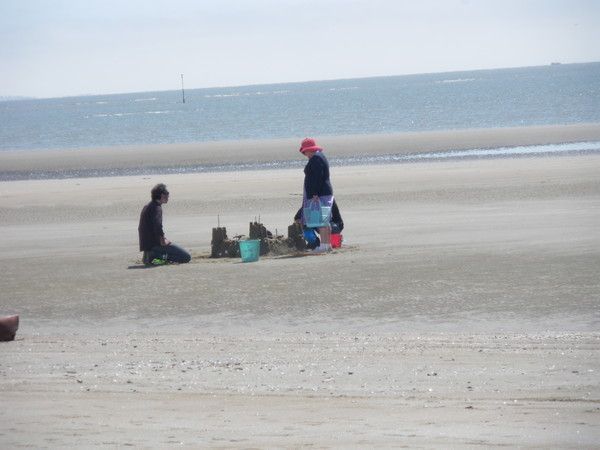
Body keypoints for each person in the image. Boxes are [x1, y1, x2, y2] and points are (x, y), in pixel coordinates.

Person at [297, 137, 335, 253]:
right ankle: (327, 245)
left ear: (310, 150)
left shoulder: (316, 159)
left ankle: (323, 246)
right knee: (324, 220)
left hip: (320, 194)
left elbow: (317, 177)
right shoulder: (319, 157)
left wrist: (314, 193)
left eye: (305, 152)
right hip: (323, 193)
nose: (305, 154)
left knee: (321, 221)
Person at [138, 183, 191, 265]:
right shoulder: (157, 208)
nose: (168, 198)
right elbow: (157, 225)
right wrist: (162, 240)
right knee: (186, 257)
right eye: (167, 195)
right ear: (162, 195)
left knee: (173, 253)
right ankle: (154, 256)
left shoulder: (148, 206)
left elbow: (143, 228)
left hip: (147, 245)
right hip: (154, 245)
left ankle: (151, 257)